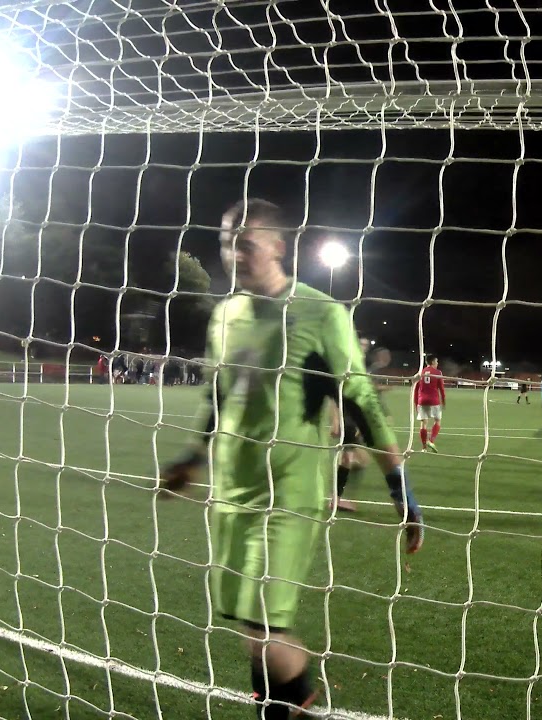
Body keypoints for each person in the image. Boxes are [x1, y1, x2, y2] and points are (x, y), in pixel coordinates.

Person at [157, 198, 423, 720]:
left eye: (247, 243)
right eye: (227, 245)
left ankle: (296, 701)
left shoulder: (320, 312)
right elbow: (217, 398)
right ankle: (288, 701)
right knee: (250, 628)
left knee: (264, 626)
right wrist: (191, 458)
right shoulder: (225, 316)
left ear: (278, 246)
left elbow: (362, 401)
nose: (235, 255)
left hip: (289, 492)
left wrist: (401, 490)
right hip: (232, 491)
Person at [333, 340, 394, 513]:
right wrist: (336, 420)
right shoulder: (348, 366)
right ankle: (336, 497)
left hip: (355, 418)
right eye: (361, 344)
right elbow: (336, 394)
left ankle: (338, 496)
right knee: (351, 459)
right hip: (349, 417)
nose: (364, 347)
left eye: (366, 345)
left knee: (358, 461)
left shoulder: (361, 367)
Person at [415, 355, 446, 452]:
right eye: (436, 361)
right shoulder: (438, 373)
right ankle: (431, 441)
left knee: (423, 424)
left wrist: (416, 403)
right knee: (437, 421)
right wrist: (444, 401)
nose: (437, 363)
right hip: (434, 400)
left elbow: (416, 390)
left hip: (422, 401)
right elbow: (441, 388)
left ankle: (424, 448)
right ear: (432, 362)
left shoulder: (421, 372)